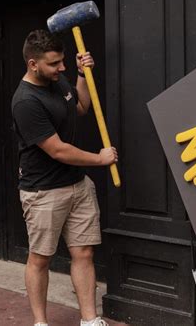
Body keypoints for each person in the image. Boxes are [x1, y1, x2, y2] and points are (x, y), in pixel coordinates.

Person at [11, 29, 117, 326]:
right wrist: (100, 158)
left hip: (77, 185)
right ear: (33, 64)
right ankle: (41, 323)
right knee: (40, 259)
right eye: (55, 63)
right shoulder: (26, 102)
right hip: (44, 192)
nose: (62, 67)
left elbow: (81, 106)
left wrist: (83, 75)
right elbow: (58, 150)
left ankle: (90, 319)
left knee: (83, 252)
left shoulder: (57, 81)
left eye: (63, 62)